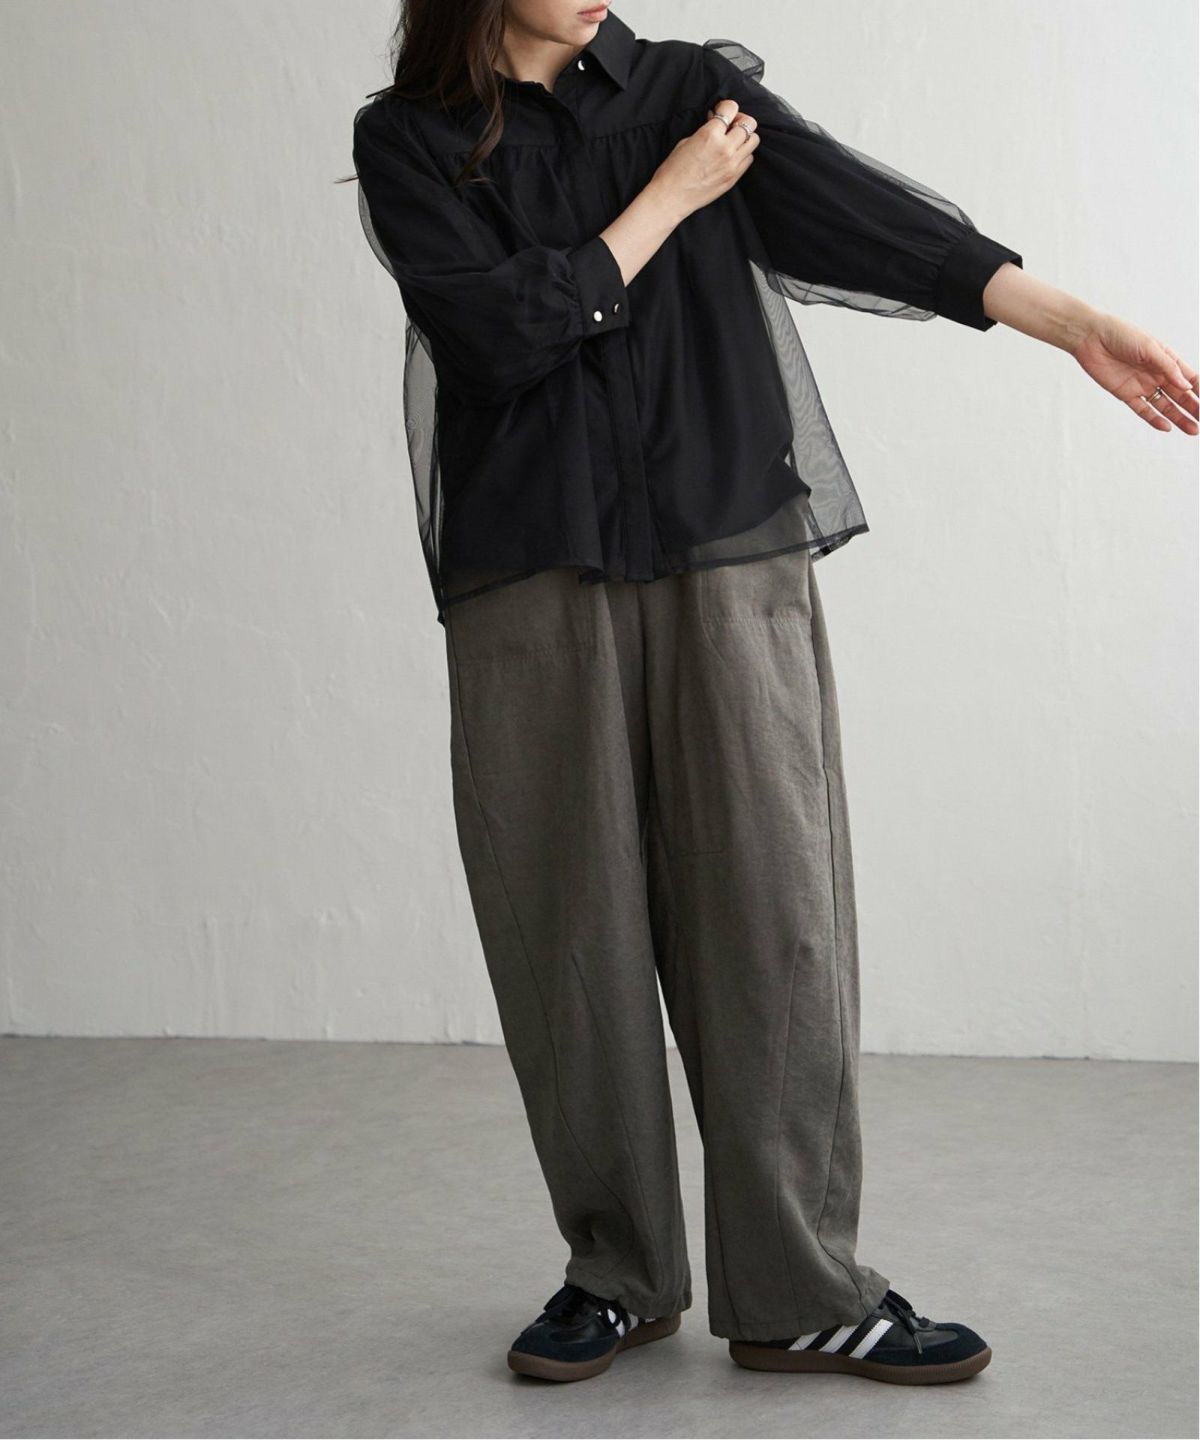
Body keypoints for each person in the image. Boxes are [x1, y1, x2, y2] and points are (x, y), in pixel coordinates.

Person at [350, 0, 1198, 1387]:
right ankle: (617, 1273)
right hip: (532, 564)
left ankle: (800, 1287)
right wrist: (668, 201)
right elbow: (495, 338)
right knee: (565, 922)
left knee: (776, 905)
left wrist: (1074, 324)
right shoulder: (411, 140)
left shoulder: (690, 88)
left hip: (726, 544)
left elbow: (867, 221)